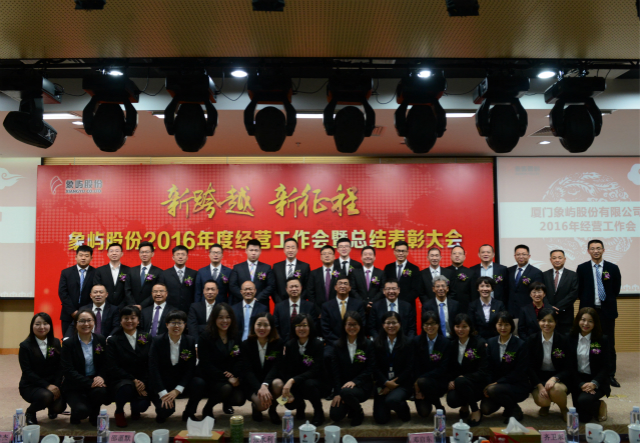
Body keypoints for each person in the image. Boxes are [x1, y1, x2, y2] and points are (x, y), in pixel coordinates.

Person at [576, 240, 621, 388]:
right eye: (593, 248)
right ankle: (590, 372)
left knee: (609, 343)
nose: (596, 251)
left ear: (603, 250)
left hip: (606, 311)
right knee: (587, 341)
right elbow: (580, 289)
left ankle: (610, 375)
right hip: (589, 312)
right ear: (588, 251)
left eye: (598, 248)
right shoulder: (582, 268)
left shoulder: (612, 268)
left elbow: (616, 289)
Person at [148, 310, 205, 423]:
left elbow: (190, 368)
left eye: (180, 323)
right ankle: (161, 410)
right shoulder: (157, 341)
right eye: (173, 323)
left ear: (185, 325)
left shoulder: (189, 341)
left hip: (180, 381)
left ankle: (189, 413)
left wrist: (178, 389)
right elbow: (153, 368)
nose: (176, 326)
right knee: (165, 411)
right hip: (163, 383)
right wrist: (163, 393)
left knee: (199, 383)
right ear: (166, 325)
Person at [60, 308, 109, 425]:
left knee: (101, 392)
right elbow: (68, 370)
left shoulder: (100, 340)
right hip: (75, 384)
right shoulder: (68, 344)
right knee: (82, 411)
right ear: (76, 323)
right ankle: (77, 411)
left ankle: (94, 414)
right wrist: (89, 382)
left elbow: (106, 363)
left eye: (89, 320)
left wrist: (101, 377)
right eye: (82, 321)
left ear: (94, 322)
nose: (86, 324)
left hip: (95, 381)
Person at [197, 303, 245, 418]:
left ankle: (226, 402)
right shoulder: (205, 337)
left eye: (228, 317)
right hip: (212, 376)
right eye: (221, 317)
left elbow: (239, 358)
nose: (225, 321)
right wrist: (226, 376)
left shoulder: (236, 335)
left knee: (239, 399)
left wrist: (234, 375)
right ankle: (208, 407)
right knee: (226, 388)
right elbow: (205, 363)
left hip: (231, 374)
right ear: (214, 319)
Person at [106, 306, 152, 427]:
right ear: (120, 321)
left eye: (133, 318)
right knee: (126, 388)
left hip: (142, 379)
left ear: (138, 321)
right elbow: (113, 366)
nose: (129, 321)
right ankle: (119, 411)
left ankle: (135, 408)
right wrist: (133, 380)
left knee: (142, 406)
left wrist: (143, 381)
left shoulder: (146, 337)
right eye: (126, 318)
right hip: (122, 379)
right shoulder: (113, 340)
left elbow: (150, 362)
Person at [481, 312, 530, 424]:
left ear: (512, 326)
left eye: (506, 324)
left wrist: (497, 383)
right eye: (500, 324)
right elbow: (487, 367)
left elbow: (520, 371)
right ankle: (507, 406)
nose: (503, 328)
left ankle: (514, 409)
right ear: (495, 325)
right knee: (485, 409)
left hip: (516, 384)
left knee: (493, 390)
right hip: (495, 385)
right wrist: (489, 384)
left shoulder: (520, 344)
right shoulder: (491, 343)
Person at [281, 314, 329, 426]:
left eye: (304, 325)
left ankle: (319, 411)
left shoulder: (318, 344)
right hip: (297, 382)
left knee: (309, 384)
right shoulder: (290, 345)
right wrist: (288, 386)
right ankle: (300, 405)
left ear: (310, 327)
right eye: (298, 325)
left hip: (316, 382)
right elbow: (287, 369)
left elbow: (315, 370)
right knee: (287, 402)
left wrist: (292, 380)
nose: (301, 328)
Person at [19, 313, 66, 425]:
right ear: (32, 326)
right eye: (38, 324)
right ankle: (30, 412)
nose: (42, 327)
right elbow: (27, 371)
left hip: (52, 383)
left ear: (50, 326)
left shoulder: (55, 342)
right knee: (46, 396)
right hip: (31, 384)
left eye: (45, 323)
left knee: (60, 407)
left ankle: (51, 407)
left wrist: (56, 386)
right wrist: (47, 386)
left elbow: (60, 367)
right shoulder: (25, 346)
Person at [329, 311, 374, 427]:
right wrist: (337, 393)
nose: (352, 327)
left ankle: (358, 412)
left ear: (360, 326)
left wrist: (355, 382)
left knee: (347, 392)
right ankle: (350, 405)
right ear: (344, 326)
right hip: (343, 388)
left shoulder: (368, 344)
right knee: (335, 416)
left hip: (362, 385)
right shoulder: (337, 345)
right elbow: (335, 372)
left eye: (355, 324)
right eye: (349, 324)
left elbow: (370, 368)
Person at [239, 312, 284, 424]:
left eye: (266, 325)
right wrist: (259, 388)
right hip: (252, 383)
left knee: (279, 384)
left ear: (271, 327)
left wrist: (265, 385)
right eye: (259, 324)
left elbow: (276, 367)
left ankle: (273, 410)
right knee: (261, 405)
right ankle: (255, 408)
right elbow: (247, 371)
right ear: (253, 326)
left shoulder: (278, 343)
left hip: (270, 381)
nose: (262, 328)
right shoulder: (246, 344)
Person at [567, 307, 610, 423]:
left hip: (595, 379)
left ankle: (600, 404)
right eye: (583, 320)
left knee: (584, 403)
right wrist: (580, 384)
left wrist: (594, 383)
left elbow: (607, 366)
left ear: (595, 323)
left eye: (590, 321)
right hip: (577, 379)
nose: (586, 324)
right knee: (581, 417)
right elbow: (569, 366)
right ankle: (596, 405)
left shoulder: (602, 340)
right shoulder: (570, 338)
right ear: (578, 320)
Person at [526, 308, 570, 419]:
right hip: (539, 378)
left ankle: (563, 408)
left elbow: (569, 366)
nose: (546, 324)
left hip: (558, 377)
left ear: (556, 322)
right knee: (543, 399)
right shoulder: (532, 340)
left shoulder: (563, 340)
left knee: (556, 390)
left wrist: (555, 378)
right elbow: (529, 367)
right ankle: (546, 406)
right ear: (538, 322)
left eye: (550, 321)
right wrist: (540, 386)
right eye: (543, 320)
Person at [446, 313, 489, 427]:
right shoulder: (451, 345)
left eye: (464, 326)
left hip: (476, 382)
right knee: (452, 400)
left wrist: (463, 378)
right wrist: (450, 381)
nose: (460, 330)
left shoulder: (479, 344)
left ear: (470, 328)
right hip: (458, 383)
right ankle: (465, 404)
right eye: (457, 326)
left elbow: (483, 371)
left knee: (461, 381)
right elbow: (448, 368)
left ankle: (475, 410)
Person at [372, 312, 413, 423]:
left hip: (401, 383)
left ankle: (403, 408)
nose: (391, 326)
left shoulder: (408, 342)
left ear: (400, 324)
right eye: (388, 323)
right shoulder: (376, 343)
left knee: (393, 401)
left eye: (394, 322)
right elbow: (374, 366)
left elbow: (409, 367)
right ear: (383, 325)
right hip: (383, 383)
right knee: (381, 420)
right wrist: (385, 382)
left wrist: (392, 385)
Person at [413, 311, 452, 417]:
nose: (429, 327)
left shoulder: (445, 343)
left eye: (433, 323)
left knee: (423, 381)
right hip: (420, 382)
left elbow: (443, 368)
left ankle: (438, 406)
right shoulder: (416, 341)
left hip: (438, 381)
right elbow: (415, 365)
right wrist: (417, 386)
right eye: (426, 324)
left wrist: (420, 380)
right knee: (424, 413)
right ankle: (430, 399)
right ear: (423, 326)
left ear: (438, 324)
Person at [58, 245, 96, 335]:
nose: (83, 258)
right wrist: (72, 311)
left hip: (88, 315)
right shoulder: (66, 272)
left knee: (87, 339)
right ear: (76, 257)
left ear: (91, 258)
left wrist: (85, 312)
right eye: (81, 255)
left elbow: (96, 294)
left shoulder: (96, 273)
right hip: (68, 314)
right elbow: (62, 293)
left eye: (86, 256)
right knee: (68, 339)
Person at [229, 239, 275, 306]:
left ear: (260, 251)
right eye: (251, 250)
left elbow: (270, 286)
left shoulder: (266, 268)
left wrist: (257, 298)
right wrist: (246, 297)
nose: (253, 253)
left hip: (261, 303)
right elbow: (233, 285)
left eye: (256, 250)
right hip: (241, 303)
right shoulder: (237, 268)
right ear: (246, 251)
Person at [543, 250, 578, 336]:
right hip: (548, 314)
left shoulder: (573, 275)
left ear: (564, 259)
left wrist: (558, 307)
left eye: (560, 258)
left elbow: (574, 294)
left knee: (565, 340)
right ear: (550, 260)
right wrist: (549, 307)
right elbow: (542, 293)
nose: (557, 260)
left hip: (565, 315)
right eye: (554, 258)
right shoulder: (544, 275)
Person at [321, 276, 366, 343]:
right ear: (335, 287)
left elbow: (362, 324)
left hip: (354, 341)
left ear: (350, 288)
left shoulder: (358, 304)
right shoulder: (326, 306)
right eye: (340, 283)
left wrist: (351, 340)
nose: (342, 286)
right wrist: (337, 342)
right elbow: (325, 328)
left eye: (345, 284)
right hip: (333, 343)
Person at [273, 277, 318, 343]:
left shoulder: (310, 306)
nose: (294, 289)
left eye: (296, 286)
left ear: (301, 288)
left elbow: (313, 326)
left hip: (305, 342)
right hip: (284, 343)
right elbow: (276, 327)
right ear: (286, 289)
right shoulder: (279, 307)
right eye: (291, 287)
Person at [506, 245, 543, 317]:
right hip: (510, 309)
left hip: (527, 310)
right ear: (515, 256)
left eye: (524, 254)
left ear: (529, 256)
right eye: (518, 254)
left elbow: (538, 292)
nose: (521, 256)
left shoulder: (536, 272)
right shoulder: (509, 270)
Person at [158, 245, 197, 314]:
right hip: (170, 310)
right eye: (178, 254)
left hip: (189, 310)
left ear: (187, 257)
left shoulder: (194, 273)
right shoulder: (164, 274)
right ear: (173, 257)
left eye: (183, 254)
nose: (180, 257)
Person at [125, 242, 163, 309]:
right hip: (132, 308)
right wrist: (133, 305)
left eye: (147, 252)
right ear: (139, 254)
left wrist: (142, 305)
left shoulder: (159, 272)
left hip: (150, 307)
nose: (144, 254)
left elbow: (157, 292)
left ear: (152, 254)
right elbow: (127, 289)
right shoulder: (131, 271)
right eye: (142, 252)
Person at [93, 243, 131, 310]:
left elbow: (130, 289)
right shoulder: (99, 271)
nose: (114, 253)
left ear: (121, 254)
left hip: (124, 307)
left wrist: (122, 305)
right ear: (107, 254)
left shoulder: (128, 270)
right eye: (111, 251)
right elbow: (97, 288)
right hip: (105, 307)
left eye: (117, 251)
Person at [272, 238, 311, 303]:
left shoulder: (304, 266)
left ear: (297, 250)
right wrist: (279, 302)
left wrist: (299, 301)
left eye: (293, 248)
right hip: (280, 303)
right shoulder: (276, 267)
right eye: (288, 247)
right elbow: (273, 287)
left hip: (299, 303)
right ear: (284, 250)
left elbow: (307, 287)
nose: (290, 250)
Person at [383, 241, 421, 305]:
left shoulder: (414, 268)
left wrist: (402, 303)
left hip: (408, 305)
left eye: (403, 251)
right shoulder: (388, 267)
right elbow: (384, 286)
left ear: (407, 252)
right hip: (390, 304)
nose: (401, 253)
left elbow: (416, 289)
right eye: (398, 251)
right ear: (394, 252)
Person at [422, 276, 460, 340]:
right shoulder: (427, 306)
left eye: (443, 286)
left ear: (447, 288)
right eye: (437, 286)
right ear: (433, 289)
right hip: (435, 339)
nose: (440, 288)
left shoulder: (455, 305)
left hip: (453, 339)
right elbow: (425, 325)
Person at [351, 246, 386, 312]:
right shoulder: (355, 273)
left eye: (370, 254)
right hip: (359, 307)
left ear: (374, 257)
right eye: (365, 254)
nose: (367, 256)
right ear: (361, 257)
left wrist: (372, 302)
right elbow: (353, 290)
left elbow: (382, 289)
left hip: (376, 307)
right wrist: (363, 303)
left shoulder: (381, 273)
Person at [307, 245, 341, 313]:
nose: (327, 256)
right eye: (324, 254)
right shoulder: (314, 273)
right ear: (320, 257)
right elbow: (310, 293)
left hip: (337, 310)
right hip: (318, 311)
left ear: (334, 256)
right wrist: (318, 311)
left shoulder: (341, 272)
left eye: (329, 253)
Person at [445, 246, 474, 313]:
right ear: (451, 256)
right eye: (454, 253)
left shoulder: (471, 273)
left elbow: (473, 294)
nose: (457, 255)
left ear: (464, 257)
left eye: (460, 253)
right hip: (448, 307)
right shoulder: (445, 272)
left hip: (465, 307)